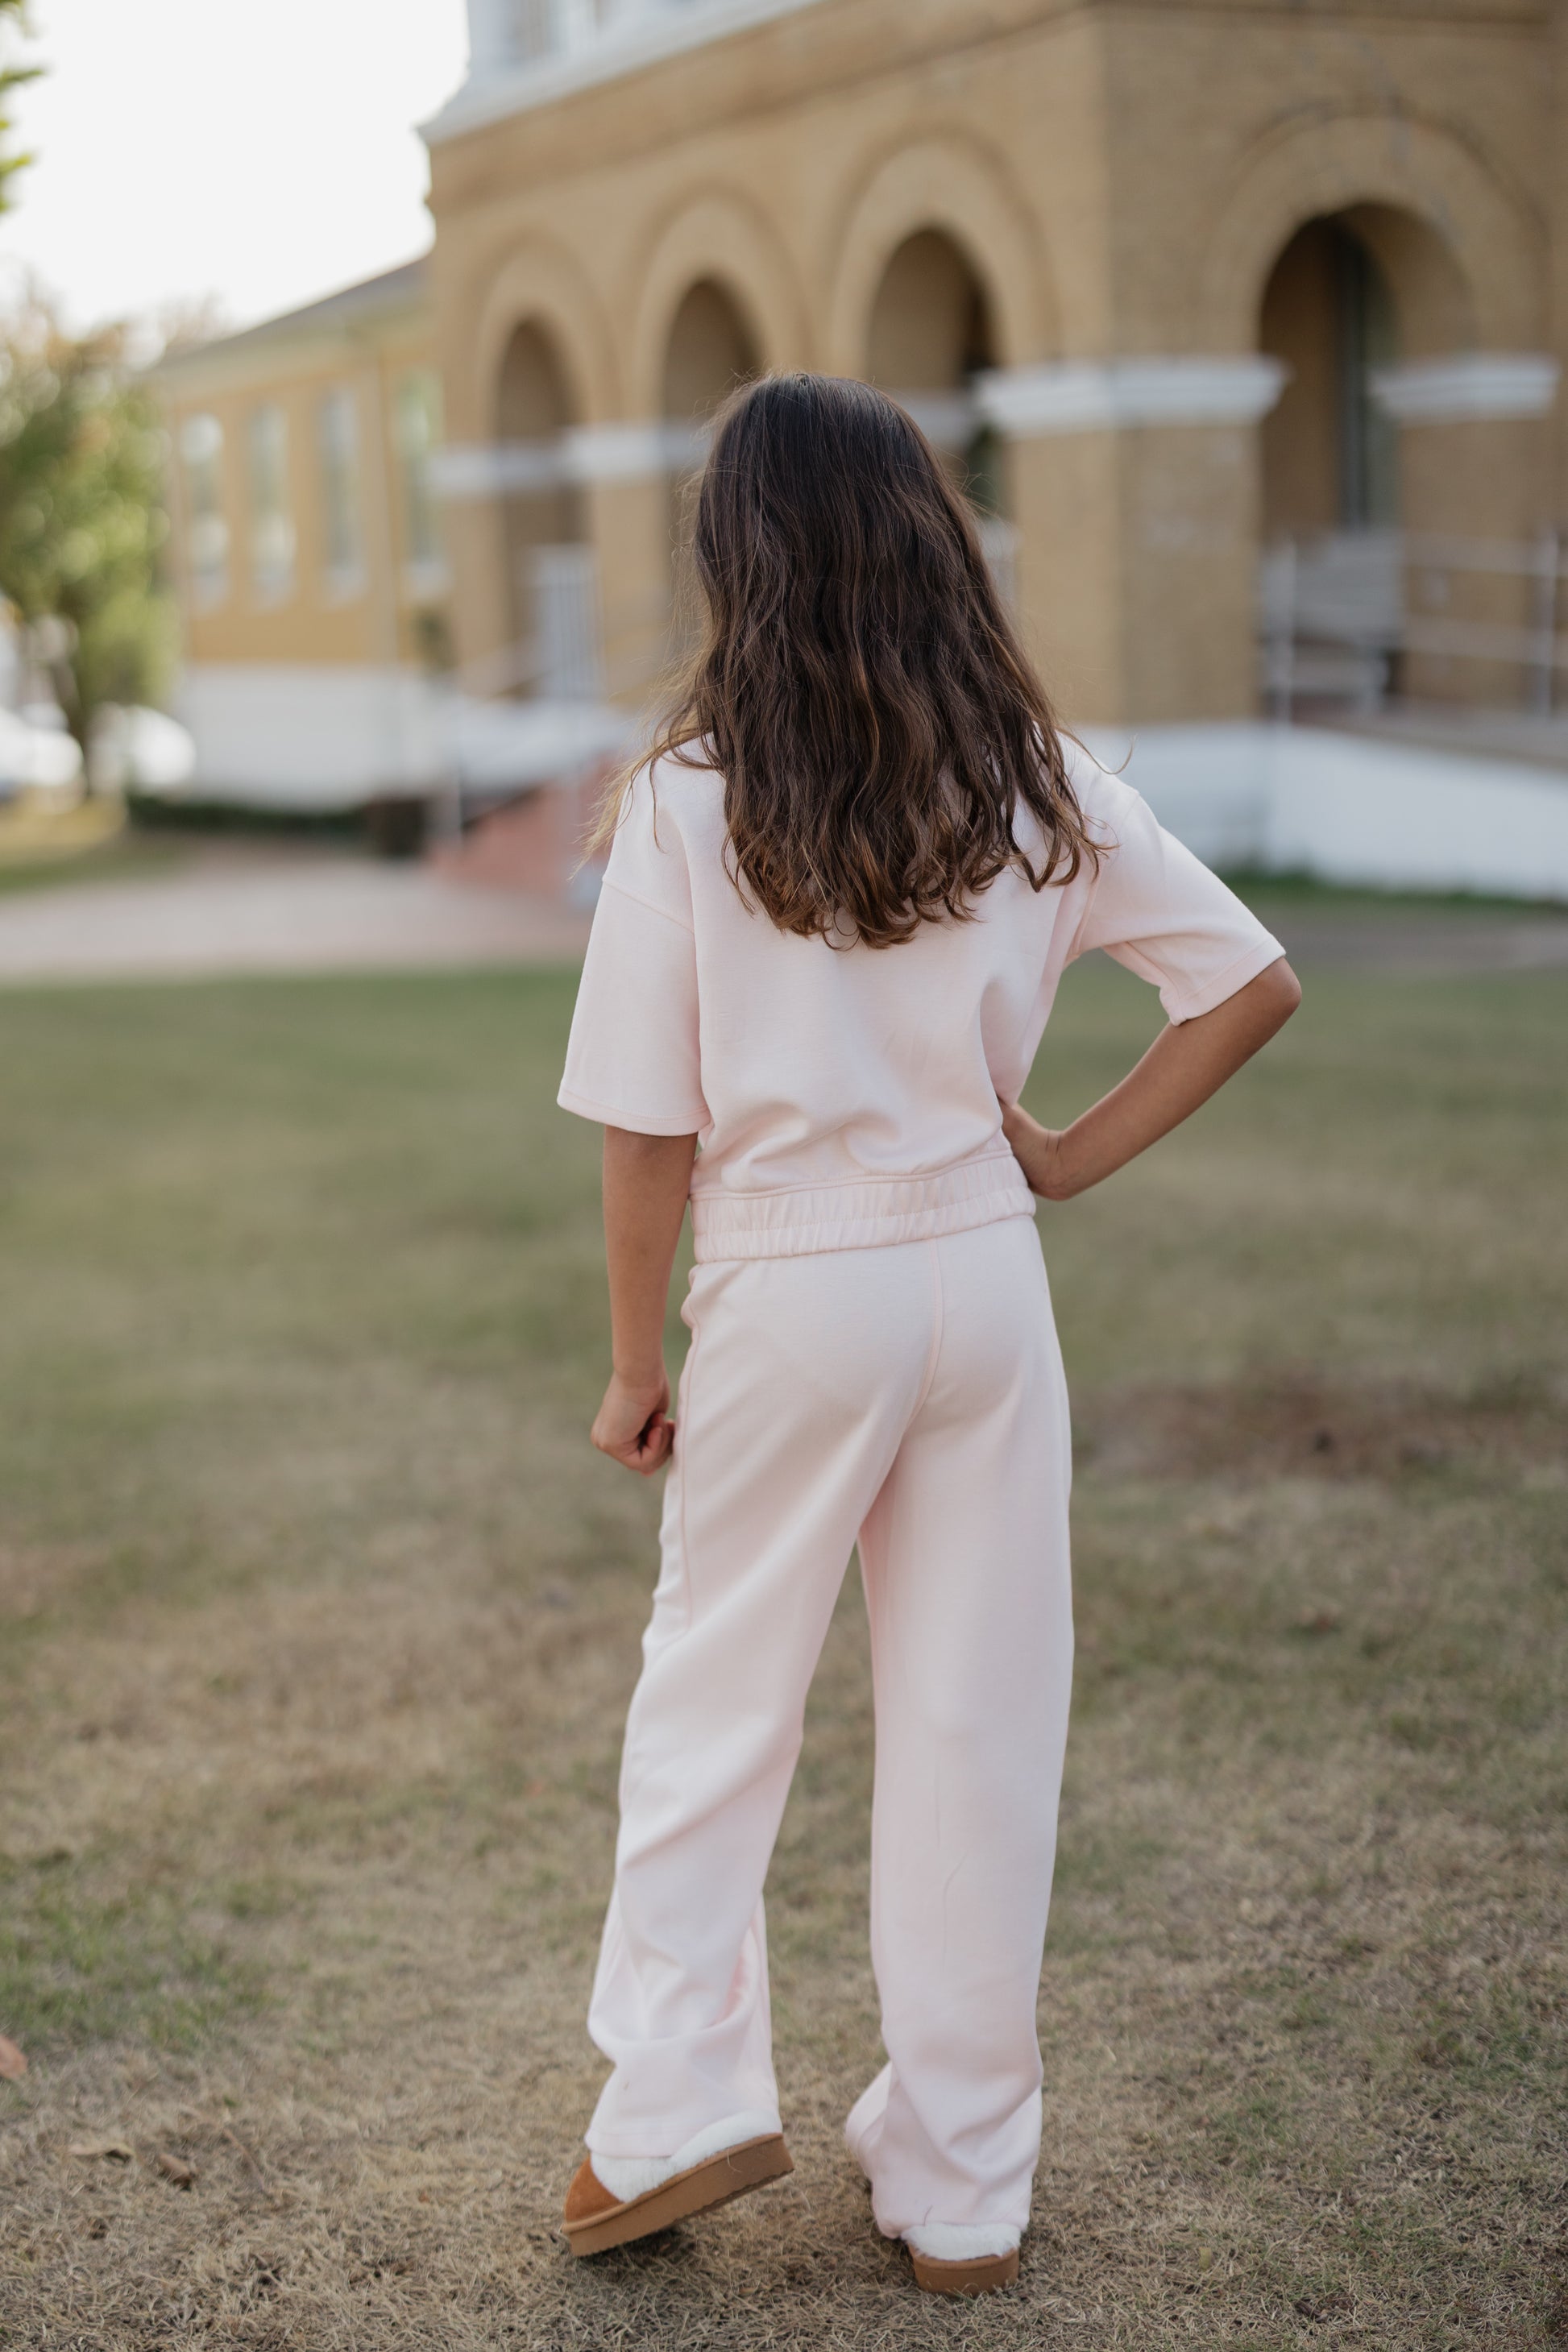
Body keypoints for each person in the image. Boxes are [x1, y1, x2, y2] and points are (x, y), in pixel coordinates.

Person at [554, 373, 1300, 2297]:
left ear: (742, 555)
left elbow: (652, 1123)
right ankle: (961, 2178)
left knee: (720, 1694)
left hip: (798, 1284)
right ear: (926, 540)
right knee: (981, 1720)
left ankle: (671, 2105)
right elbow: (1244, 980)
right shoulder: (1040, 779)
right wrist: (1059, 1159)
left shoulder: (692, 797)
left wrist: (637, 1361)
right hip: (985, 1277)